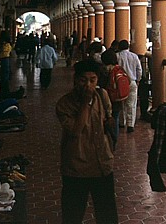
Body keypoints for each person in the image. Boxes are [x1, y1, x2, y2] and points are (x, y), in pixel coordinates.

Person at [56, 59, 118, 224]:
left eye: (93, 80)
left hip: (102, 164)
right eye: (83, 80)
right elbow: (76, 131)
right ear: (75, 80)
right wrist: (85, 104)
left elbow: (109, 119)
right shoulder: (64, 104)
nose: (88, 85)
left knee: (107, 215)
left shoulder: (102, 96)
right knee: (73, 215)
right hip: (76, 167)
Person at [116, 40, 141, 133]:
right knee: (131, 104)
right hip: (132, 82)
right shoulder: (134, 56)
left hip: (120, 82)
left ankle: (122, 122)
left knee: (121, 102)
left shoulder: (117, 56)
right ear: (128, 46)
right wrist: (138, 80)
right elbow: (139, 69)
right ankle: (130, 124)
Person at [98, 49, 121, 143]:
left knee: (107, 118)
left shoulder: (104, 70)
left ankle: (109, 139)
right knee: (115, 118)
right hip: (117, 99)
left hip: (107, 98)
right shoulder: (118, 68)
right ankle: (114, 140)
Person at [0, 30, 13, 95]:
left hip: (4, 58)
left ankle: (4, 89)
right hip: (5, 58)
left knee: (5, 73)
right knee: (5, 74)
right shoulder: (5, 44)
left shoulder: (1, 43)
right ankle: (5, 89)